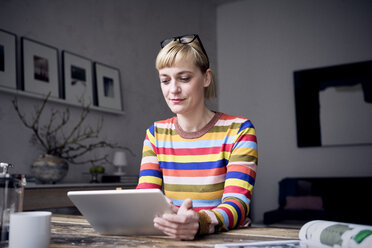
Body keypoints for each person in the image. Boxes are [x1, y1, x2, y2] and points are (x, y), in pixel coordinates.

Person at [136, 34, 258, 240]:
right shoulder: (155, 134)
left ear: (206, 78)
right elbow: (144, 198)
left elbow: (238, 205)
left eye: (184, 78)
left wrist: (198, 222)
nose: (173, 89)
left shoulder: (239, 130)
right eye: (165, 80)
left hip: (223, 241)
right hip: (172, 239)